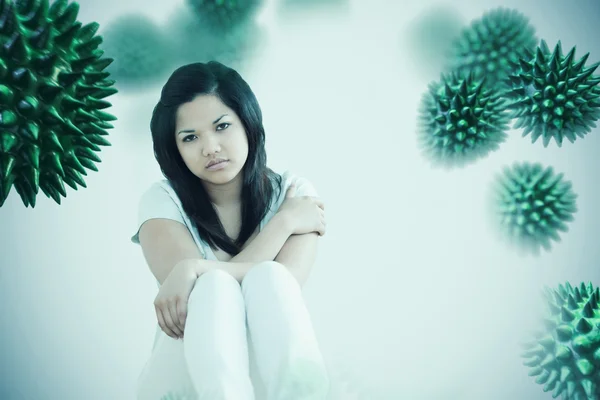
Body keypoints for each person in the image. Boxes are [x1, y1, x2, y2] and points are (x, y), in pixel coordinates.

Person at [130, 61, 330, 400]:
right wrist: (283, 225)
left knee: (268, 279)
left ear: (248, 123)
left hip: (273, 377)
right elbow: (198, 299)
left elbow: (283, 288)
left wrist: (193, 266)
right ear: (174, 148)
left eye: (222, 126)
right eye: (190, 137)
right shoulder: (162, 200)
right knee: (213, 288)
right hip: (185, 380)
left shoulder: (294, 194)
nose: (210, 147)